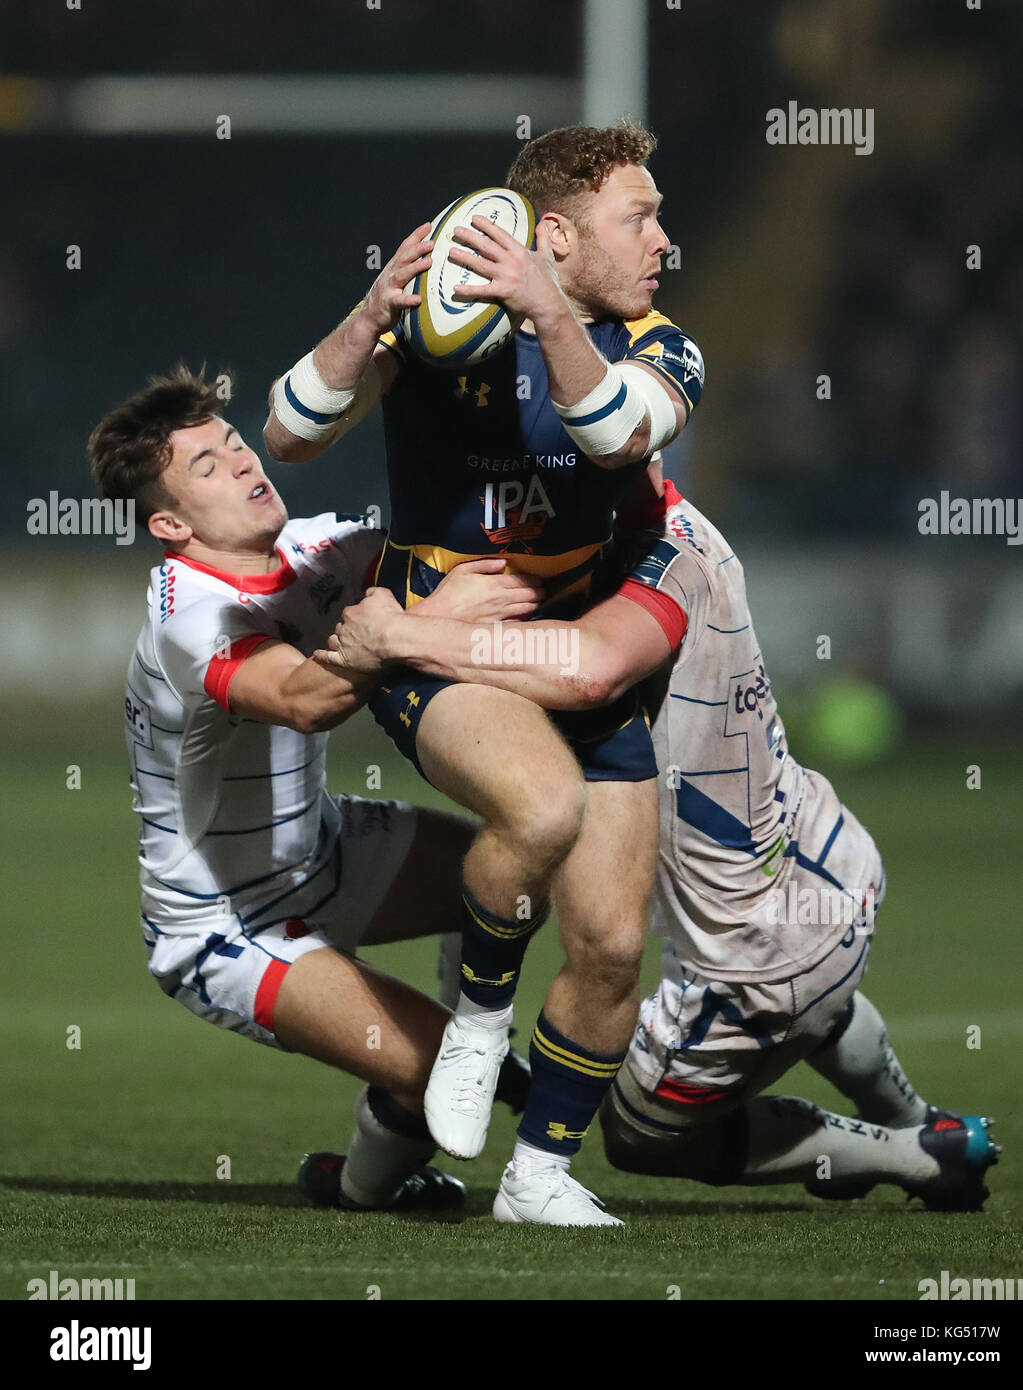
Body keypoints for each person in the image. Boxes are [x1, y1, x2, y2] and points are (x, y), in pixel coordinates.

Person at [317, 461, 1000, 1211]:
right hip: (829, 857)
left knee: (635, 1133)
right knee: (525, 852)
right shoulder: (675, 526)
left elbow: (591, 671)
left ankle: (909, 1155)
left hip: (755, 956)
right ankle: (919, 1121)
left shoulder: (659, 566)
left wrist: (404, 635)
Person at [265, 122, 704, 1225]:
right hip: (433, 641)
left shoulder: (663, 347)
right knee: (540, 808)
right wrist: (370, 316)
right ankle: (475, 1026)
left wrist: (550, 312)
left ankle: (539, 1175)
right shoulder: (431, 324)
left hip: (573, 653)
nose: (665, 240)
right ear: (554, 232)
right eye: (638, 218)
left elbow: (613, 436)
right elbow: (289, 432)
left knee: (609, 941)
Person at [88, 366, 536, 1217]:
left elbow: (426, 550)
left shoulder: (310, 548)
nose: (244, 462)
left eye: (234, 443)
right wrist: (413, 623)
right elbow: (307, 701)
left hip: (324, 851)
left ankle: (405, 1127)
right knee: (447, 1073)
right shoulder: (189, 618)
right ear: (170, 522)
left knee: (517, 869)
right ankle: (419, 1130)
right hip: (222, 925)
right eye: (207, 466)